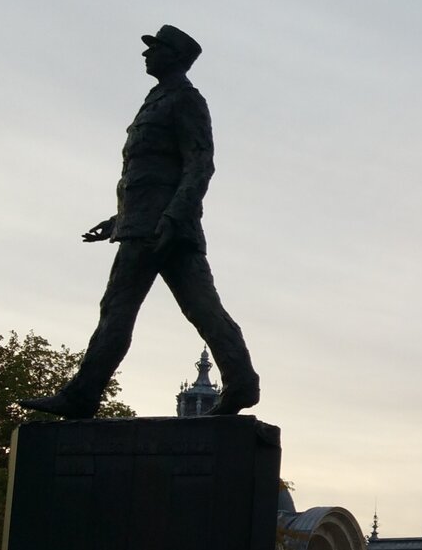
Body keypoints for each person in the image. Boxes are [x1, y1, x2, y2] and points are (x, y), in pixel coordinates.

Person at [19, 25, 260, 419]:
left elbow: (200, 164)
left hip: (161, 229)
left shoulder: (185, 100)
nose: (146, 54)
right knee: (200, 309)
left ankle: (82, 396)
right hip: (145, 224)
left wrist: (171, 217)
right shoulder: (156, 101)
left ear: (176, 57)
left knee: (120, 308)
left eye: (156, 49)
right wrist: (119, 219)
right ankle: (243, 382)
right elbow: (148, 175)